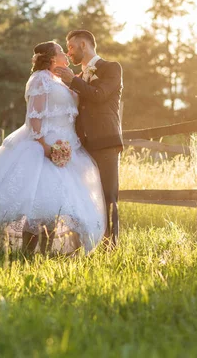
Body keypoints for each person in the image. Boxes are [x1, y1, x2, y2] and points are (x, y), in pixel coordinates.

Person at [0, 41, 106, 254]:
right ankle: (26, 250)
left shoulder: (60, 80)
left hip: (69, 147)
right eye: (62, 50)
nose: (66, 53)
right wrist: (45, 147)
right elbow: (35, 116)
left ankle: (46, 252)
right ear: (52, 58)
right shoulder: (40, 79)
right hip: (44, 146)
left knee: (57, 205)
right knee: (38, 204)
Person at [54, 30, 123, 248]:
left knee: (108, 195)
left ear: (84, 45)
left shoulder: (111, 68)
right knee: (83, 197)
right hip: (81, 146)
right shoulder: (79, 77)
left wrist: (72, 80)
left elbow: (99, 95)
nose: (68, 52)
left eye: (71, 46)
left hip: (105, 142)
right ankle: (85, 244)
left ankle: (110, 246)